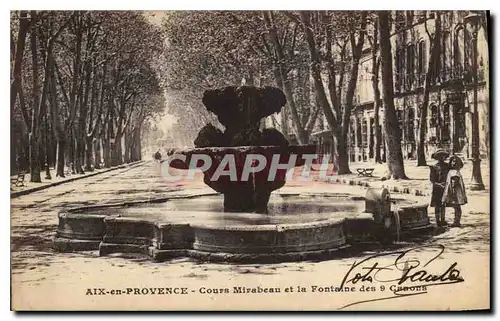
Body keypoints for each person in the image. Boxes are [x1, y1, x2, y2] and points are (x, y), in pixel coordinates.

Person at [442, 155, 467, 227]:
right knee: (456, 207)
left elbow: (454, 183)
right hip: (456, 191)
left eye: (455, 162)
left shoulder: (454, 172)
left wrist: (452, 193)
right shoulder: (454, 171)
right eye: (452, 161)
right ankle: (456, 221)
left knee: (456, 207)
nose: (454, 163)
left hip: (455, 192)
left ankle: (456, 222)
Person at [429, 149, 450, 227]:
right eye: (439, 156)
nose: (441, 158)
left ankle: (443, 220)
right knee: (437, 205)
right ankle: (437, 220)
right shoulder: (434, 167)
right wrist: (439, 184)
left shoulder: (447, 166)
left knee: (443, 204)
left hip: (445, 187)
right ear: (437, 158)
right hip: (437, 189)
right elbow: (432, 180)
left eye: (443, 156)